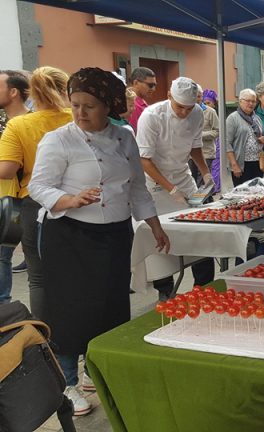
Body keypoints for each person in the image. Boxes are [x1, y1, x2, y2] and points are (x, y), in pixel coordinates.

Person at [28, 67, 170, 416]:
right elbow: (38, 187)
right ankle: (69, 382)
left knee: (111, 303)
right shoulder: (59, 139)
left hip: (116, 232)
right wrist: (70, 200)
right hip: (71, 235)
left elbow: (137, 187)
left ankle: (99, 366)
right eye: (75, 104)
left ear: (108, 105)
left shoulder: (124, 138)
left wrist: (155, 226)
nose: (80, 112)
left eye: (89, 105)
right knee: (71, 308)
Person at [0, 66, 72, 318]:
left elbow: (7, 169)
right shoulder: (76, 118)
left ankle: (46, 338)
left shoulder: (19, 125)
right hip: (76, 199)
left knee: (38, 277)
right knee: (75, 269)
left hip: (33, 202)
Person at [136, 76, 214, 300]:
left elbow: (195, 147)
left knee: (200, 230)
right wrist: (170, 189)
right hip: (155, 182)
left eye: (189, 108)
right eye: (180, 107)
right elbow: (144, 160)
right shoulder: (151, 116)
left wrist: (206, 172)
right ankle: (165, 289)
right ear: (169, 96)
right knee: (159, 236)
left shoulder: (197, 113)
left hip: (183, 177)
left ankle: (203, 286)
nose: (184, 113)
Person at [0, 70, 29, 305]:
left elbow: (6, 169)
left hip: (16, 201)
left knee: (2, 257)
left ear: (13, 92)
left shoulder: (26, 123)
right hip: (9, 198)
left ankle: (5, 314)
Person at [225, 88, 264, 186]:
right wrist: (234, 165)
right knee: (243, 195)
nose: (251, 104)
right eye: (248, 101)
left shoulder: (256, 118)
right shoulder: (233, 118)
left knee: (257, 193)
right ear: (240, 101)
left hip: (257, 162)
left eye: (253, 101)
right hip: (241, 164)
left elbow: (262, 135)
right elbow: (226, 143)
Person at [189, 84, 219, 185]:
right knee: (192, 182)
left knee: (203, 182)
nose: (198, 99)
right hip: (189, 154)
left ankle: (204, 200)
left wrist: (200, 135)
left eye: (199, 96)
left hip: (206, 152)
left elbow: (217, 131)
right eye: (195, 96)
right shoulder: (186, 111)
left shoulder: (210, 112)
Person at [127, 66, 157, 131]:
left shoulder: (140, 103)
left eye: (155, 85)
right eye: (150, 85)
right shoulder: (132, 105)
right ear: (136, 83)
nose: (153, 89)